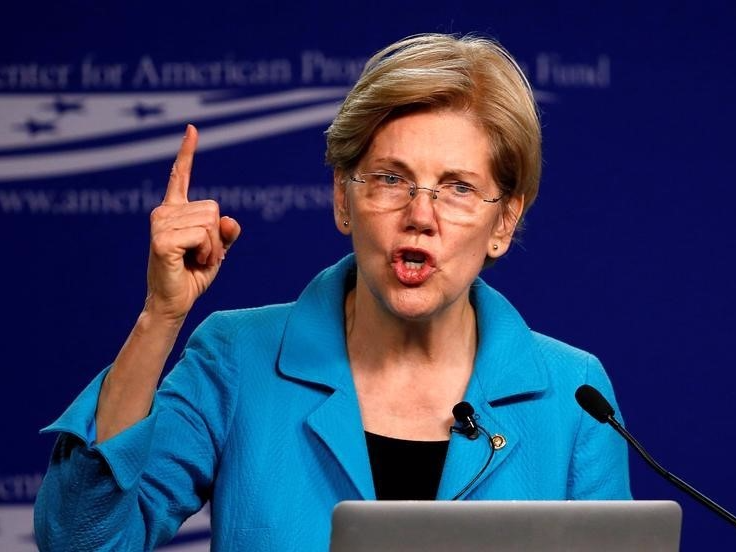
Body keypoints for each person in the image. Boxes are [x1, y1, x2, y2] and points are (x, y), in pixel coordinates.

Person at [34, 33, 630, 551]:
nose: (420, 215)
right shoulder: (236, 359)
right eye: (391, 179)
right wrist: (160, 316)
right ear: (343, 199)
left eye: (457, 188)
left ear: (503, 222)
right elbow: (83, 542)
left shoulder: (573, 399)